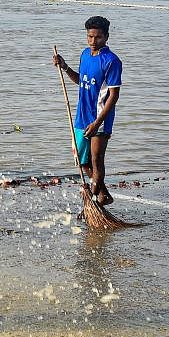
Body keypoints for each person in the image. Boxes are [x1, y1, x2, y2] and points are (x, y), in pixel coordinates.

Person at [52, 15, 122, 206]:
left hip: (100, 119)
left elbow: (114, 96)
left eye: (98, 37)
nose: (93, 41)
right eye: (90, 37)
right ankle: (103, 194)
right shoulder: (84, 54)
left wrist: (97, 122)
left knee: (96, 161)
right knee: (83, 163)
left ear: (106, 37)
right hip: (81, 117)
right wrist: (65, 67)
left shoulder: (112, 61)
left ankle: (93, 203)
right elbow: (81, 82)